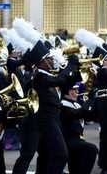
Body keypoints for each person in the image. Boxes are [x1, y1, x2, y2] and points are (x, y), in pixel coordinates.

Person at [30, 41, 79, 174]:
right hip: (47, 120)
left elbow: (68, 81)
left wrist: (75, 68)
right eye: (49, 58)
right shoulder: (39, 77)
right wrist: (70, 65)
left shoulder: (47, 75)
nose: (52, 61)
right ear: (42, 62)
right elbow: (60, 80)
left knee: (46, 155)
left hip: (54, 118)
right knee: (61, 154)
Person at [60, 82, 98, 174]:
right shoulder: (62, 105)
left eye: (77, 90)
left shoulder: (76, 104)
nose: (76, 92)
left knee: (76, 166)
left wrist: (94, 102)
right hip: (66, 139)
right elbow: (77, 114)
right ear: (66, 91)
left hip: (77, 139)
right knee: (91, 149)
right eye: (73, 90)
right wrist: (90, 100)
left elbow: (90, 117)